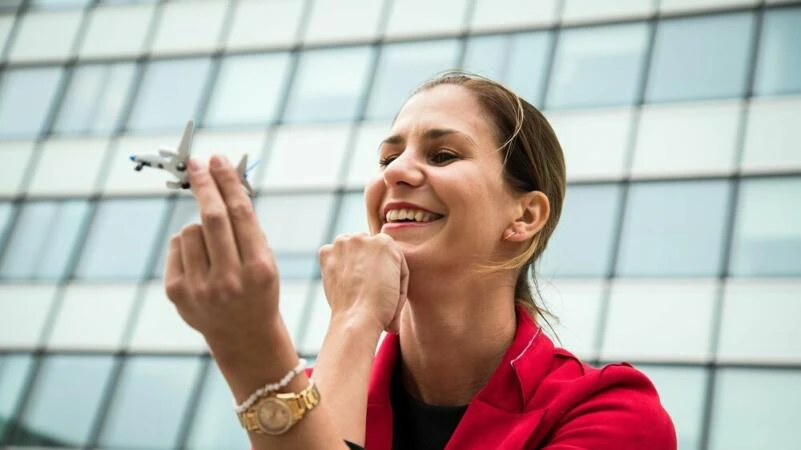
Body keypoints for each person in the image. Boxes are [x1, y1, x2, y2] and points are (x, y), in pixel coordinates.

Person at [164, 71, 677, 450]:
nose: (396, 173)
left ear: (524, 216)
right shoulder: (322, 383)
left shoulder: (610, 414)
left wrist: (258, 353)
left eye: (443, 155)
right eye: (387, 159)